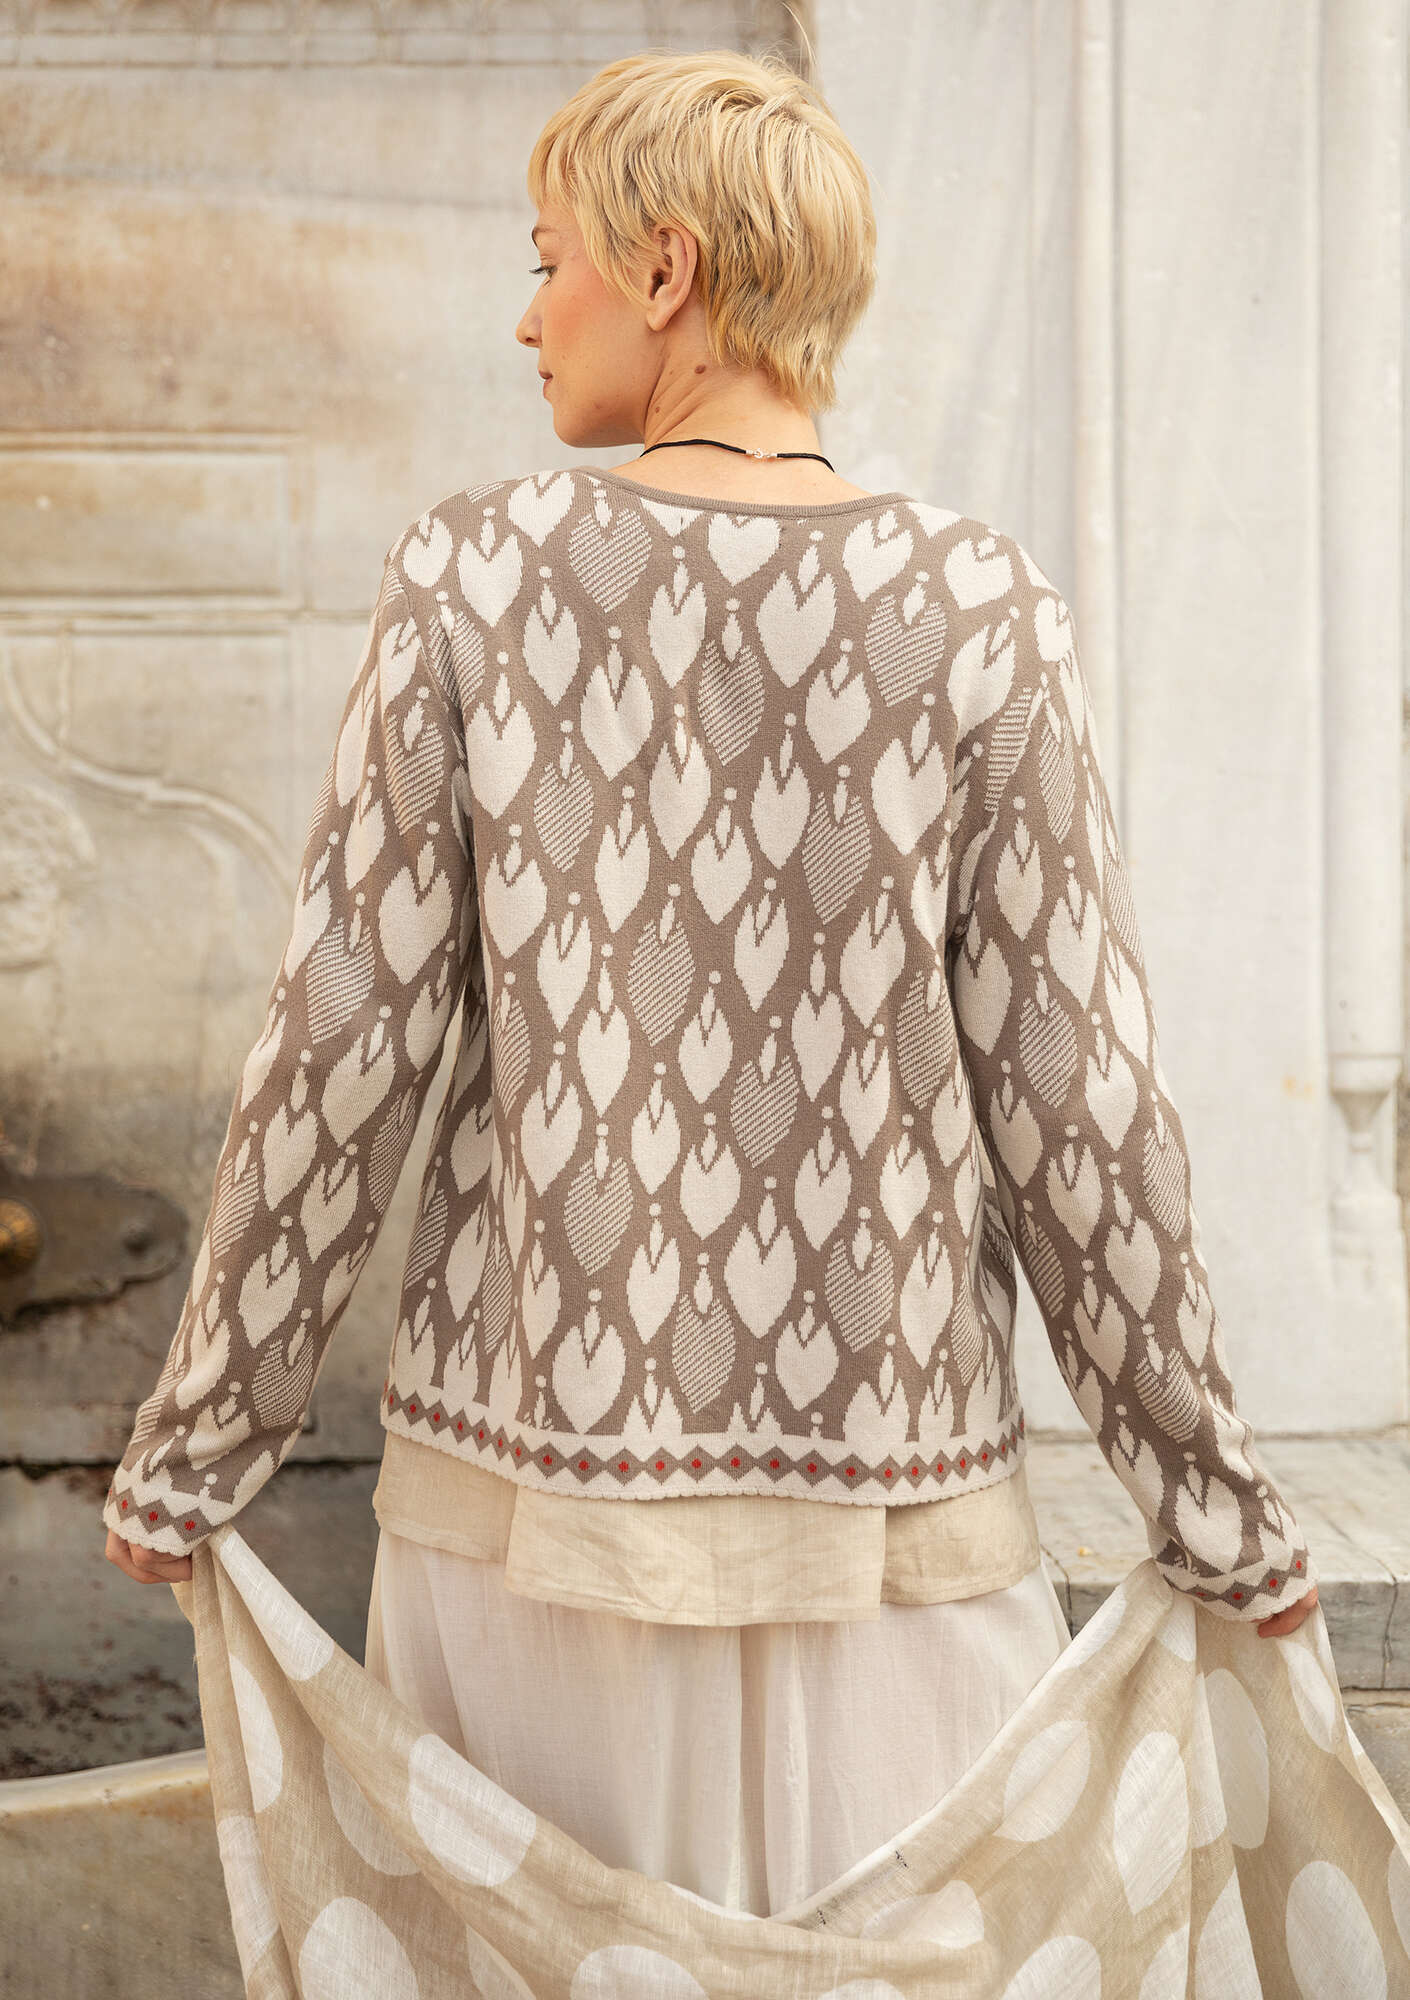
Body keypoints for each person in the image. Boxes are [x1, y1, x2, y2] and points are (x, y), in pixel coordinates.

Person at [99, 51, 1409, 1993]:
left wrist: (202, 1442)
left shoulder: (471, 577)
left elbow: (340, 1051)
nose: (525, 312)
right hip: (891, 1542)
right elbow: (1079, 1108)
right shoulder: (978, 609)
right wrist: (1212, 1507)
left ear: (666, 270)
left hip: (522, 1529)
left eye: (546, 259)